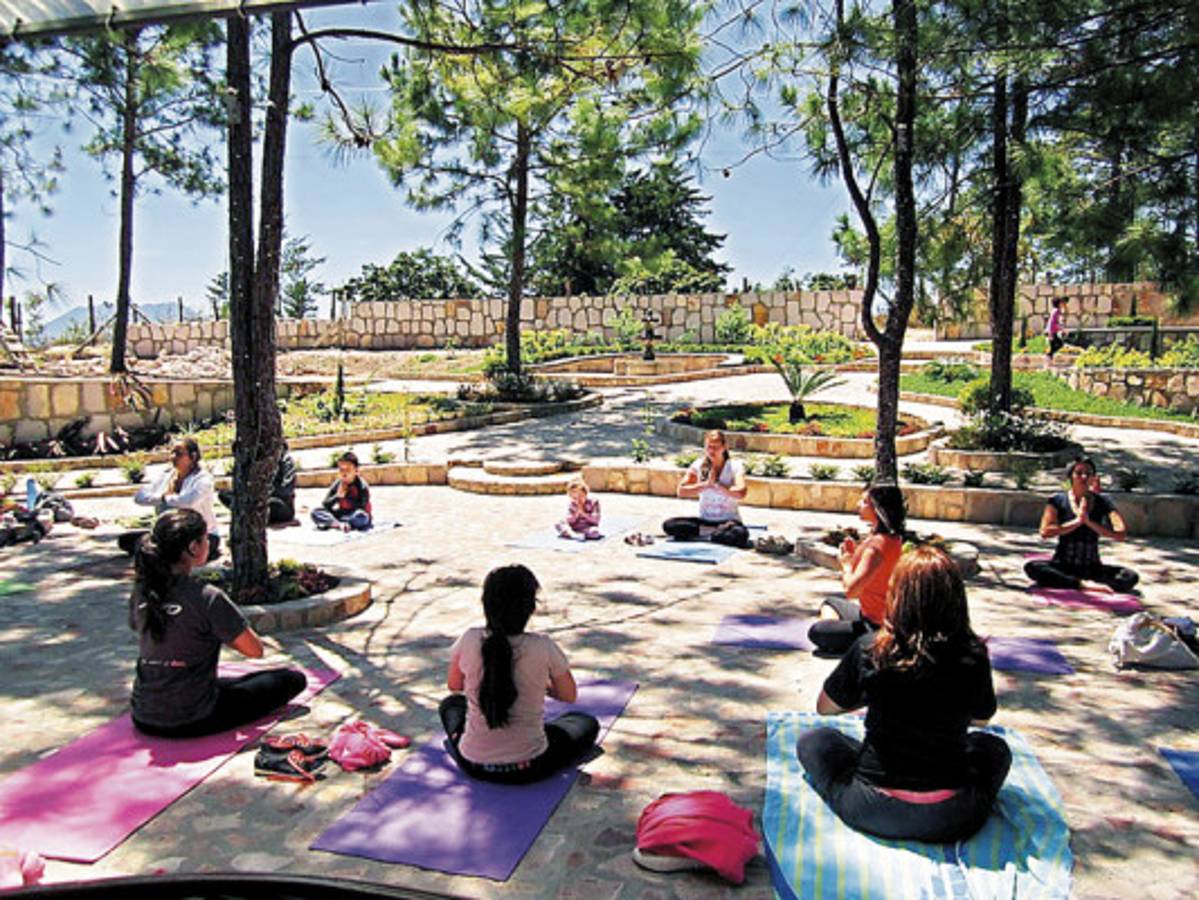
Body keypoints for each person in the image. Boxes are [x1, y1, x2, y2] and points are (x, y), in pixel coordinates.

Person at [797, 546, 1011, 843]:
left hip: (872, 808)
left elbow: (826, 708)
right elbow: (981, 720)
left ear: (897, 596)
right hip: (952, 815)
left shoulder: (871, 649)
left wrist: (871, 691)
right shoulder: (973, 654)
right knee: (994, 749)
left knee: (814, 741)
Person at [128, 509, 306, 738]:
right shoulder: (206, 597)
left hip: (144, 715)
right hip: (193, 718)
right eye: (205, 539)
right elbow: (255, 651)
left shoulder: (141, 592)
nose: (210, 544)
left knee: (237, 682)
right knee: (291, 679)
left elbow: (143, 628)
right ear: (193, 547)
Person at [439, 564, 599, 785]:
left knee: (451, 705)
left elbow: (455, 685)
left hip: (473, 764)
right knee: (584, 722)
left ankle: (464, 740)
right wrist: (538, 684)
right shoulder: (543, 646)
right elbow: (568, 695)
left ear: (487, 605)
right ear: (530, 608)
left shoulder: (469, 638)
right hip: (529, 766)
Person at [809, 484, 907, 656]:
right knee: (831, 603)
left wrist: (846, 564)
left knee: (817, 632)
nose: (858, 504)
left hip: (875, 625)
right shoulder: (893, 538)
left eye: (864, 502)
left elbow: (851, 591)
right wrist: (854, 555)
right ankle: (844, 637)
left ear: (877, 509)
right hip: (868, 615)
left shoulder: (876, 547)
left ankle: (859, 645)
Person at [1024, 456, 1138, 594]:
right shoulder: (1058, 500)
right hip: (1063, 565)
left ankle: (1071, 582)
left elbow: (1120, 533)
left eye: (1088, 473)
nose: (1083, 477)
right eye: (1078, 473)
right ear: (1071, 476)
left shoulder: (1103, 501)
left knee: (1130, 577)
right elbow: (1045, 532)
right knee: (1032, 567)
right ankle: (1081, 585)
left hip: (1092, 567)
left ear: (1093, 478)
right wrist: (1076, 522)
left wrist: (1089, 522)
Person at [119, 437, 220, 561]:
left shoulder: (203, 478)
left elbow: (188, 501)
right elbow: (140, 497)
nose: (173, 457)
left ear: (193, 457)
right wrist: (161, 498)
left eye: (178, 454)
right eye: (171, 453)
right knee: (126, 540)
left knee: (176, 547)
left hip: (202, 535)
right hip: (171, 533)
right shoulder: (166, 476)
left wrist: (166, 499)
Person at [662, 430, 750, 547]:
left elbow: (741, 492)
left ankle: (708, 533)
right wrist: (706, 484)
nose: (712, 451)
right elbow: (682, 491)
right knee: (670, 525)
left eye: (716, 447)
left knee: (740, 534)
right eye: (709, 447)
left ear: (724, 447)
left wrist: (718, 486)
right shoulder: (698, 465)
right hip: (705, 521)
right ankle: (714, 533)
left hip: (729, 522)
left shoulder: (735, 466)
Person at [218, 445, 297, 524]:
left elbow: (286, 490)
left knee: (269, 503)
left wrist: (264, 495)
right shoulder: (260, 462)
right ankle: (251, 511)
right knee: (224, 495)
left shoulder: (287, 461)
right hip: (257, 499)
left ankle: (249, 510)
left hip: (280, 504)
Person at [312, 451, 372, 531]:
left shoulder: (362, 486)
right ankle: (338, 524)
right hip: (340, 514)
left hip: (354, 515)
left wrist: (347, 498)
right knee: (316, 512)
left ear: (356, 471)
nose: (344, 473)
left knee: (362, 517)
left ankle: (341, 524)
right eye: (341, 470)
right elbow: (325, 504)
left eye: (348, 470)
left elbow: (362, 506)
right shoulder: (338, 483)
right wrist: (337, 496)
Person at [1046, 296, 1068, 363]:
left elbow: (1057, 322)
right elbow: (1053, 323)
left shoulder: (1056, 311)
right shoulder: (1056, 311)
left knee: (1055, 346)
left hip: (1052, 331)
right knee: (1059, 344)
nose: (1062, 304)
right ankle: (1048, 358)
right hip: (1052, 332)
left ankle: (1049, 360)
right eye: (1061, 303)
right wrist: (1062, 330)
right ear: (1058, 304)